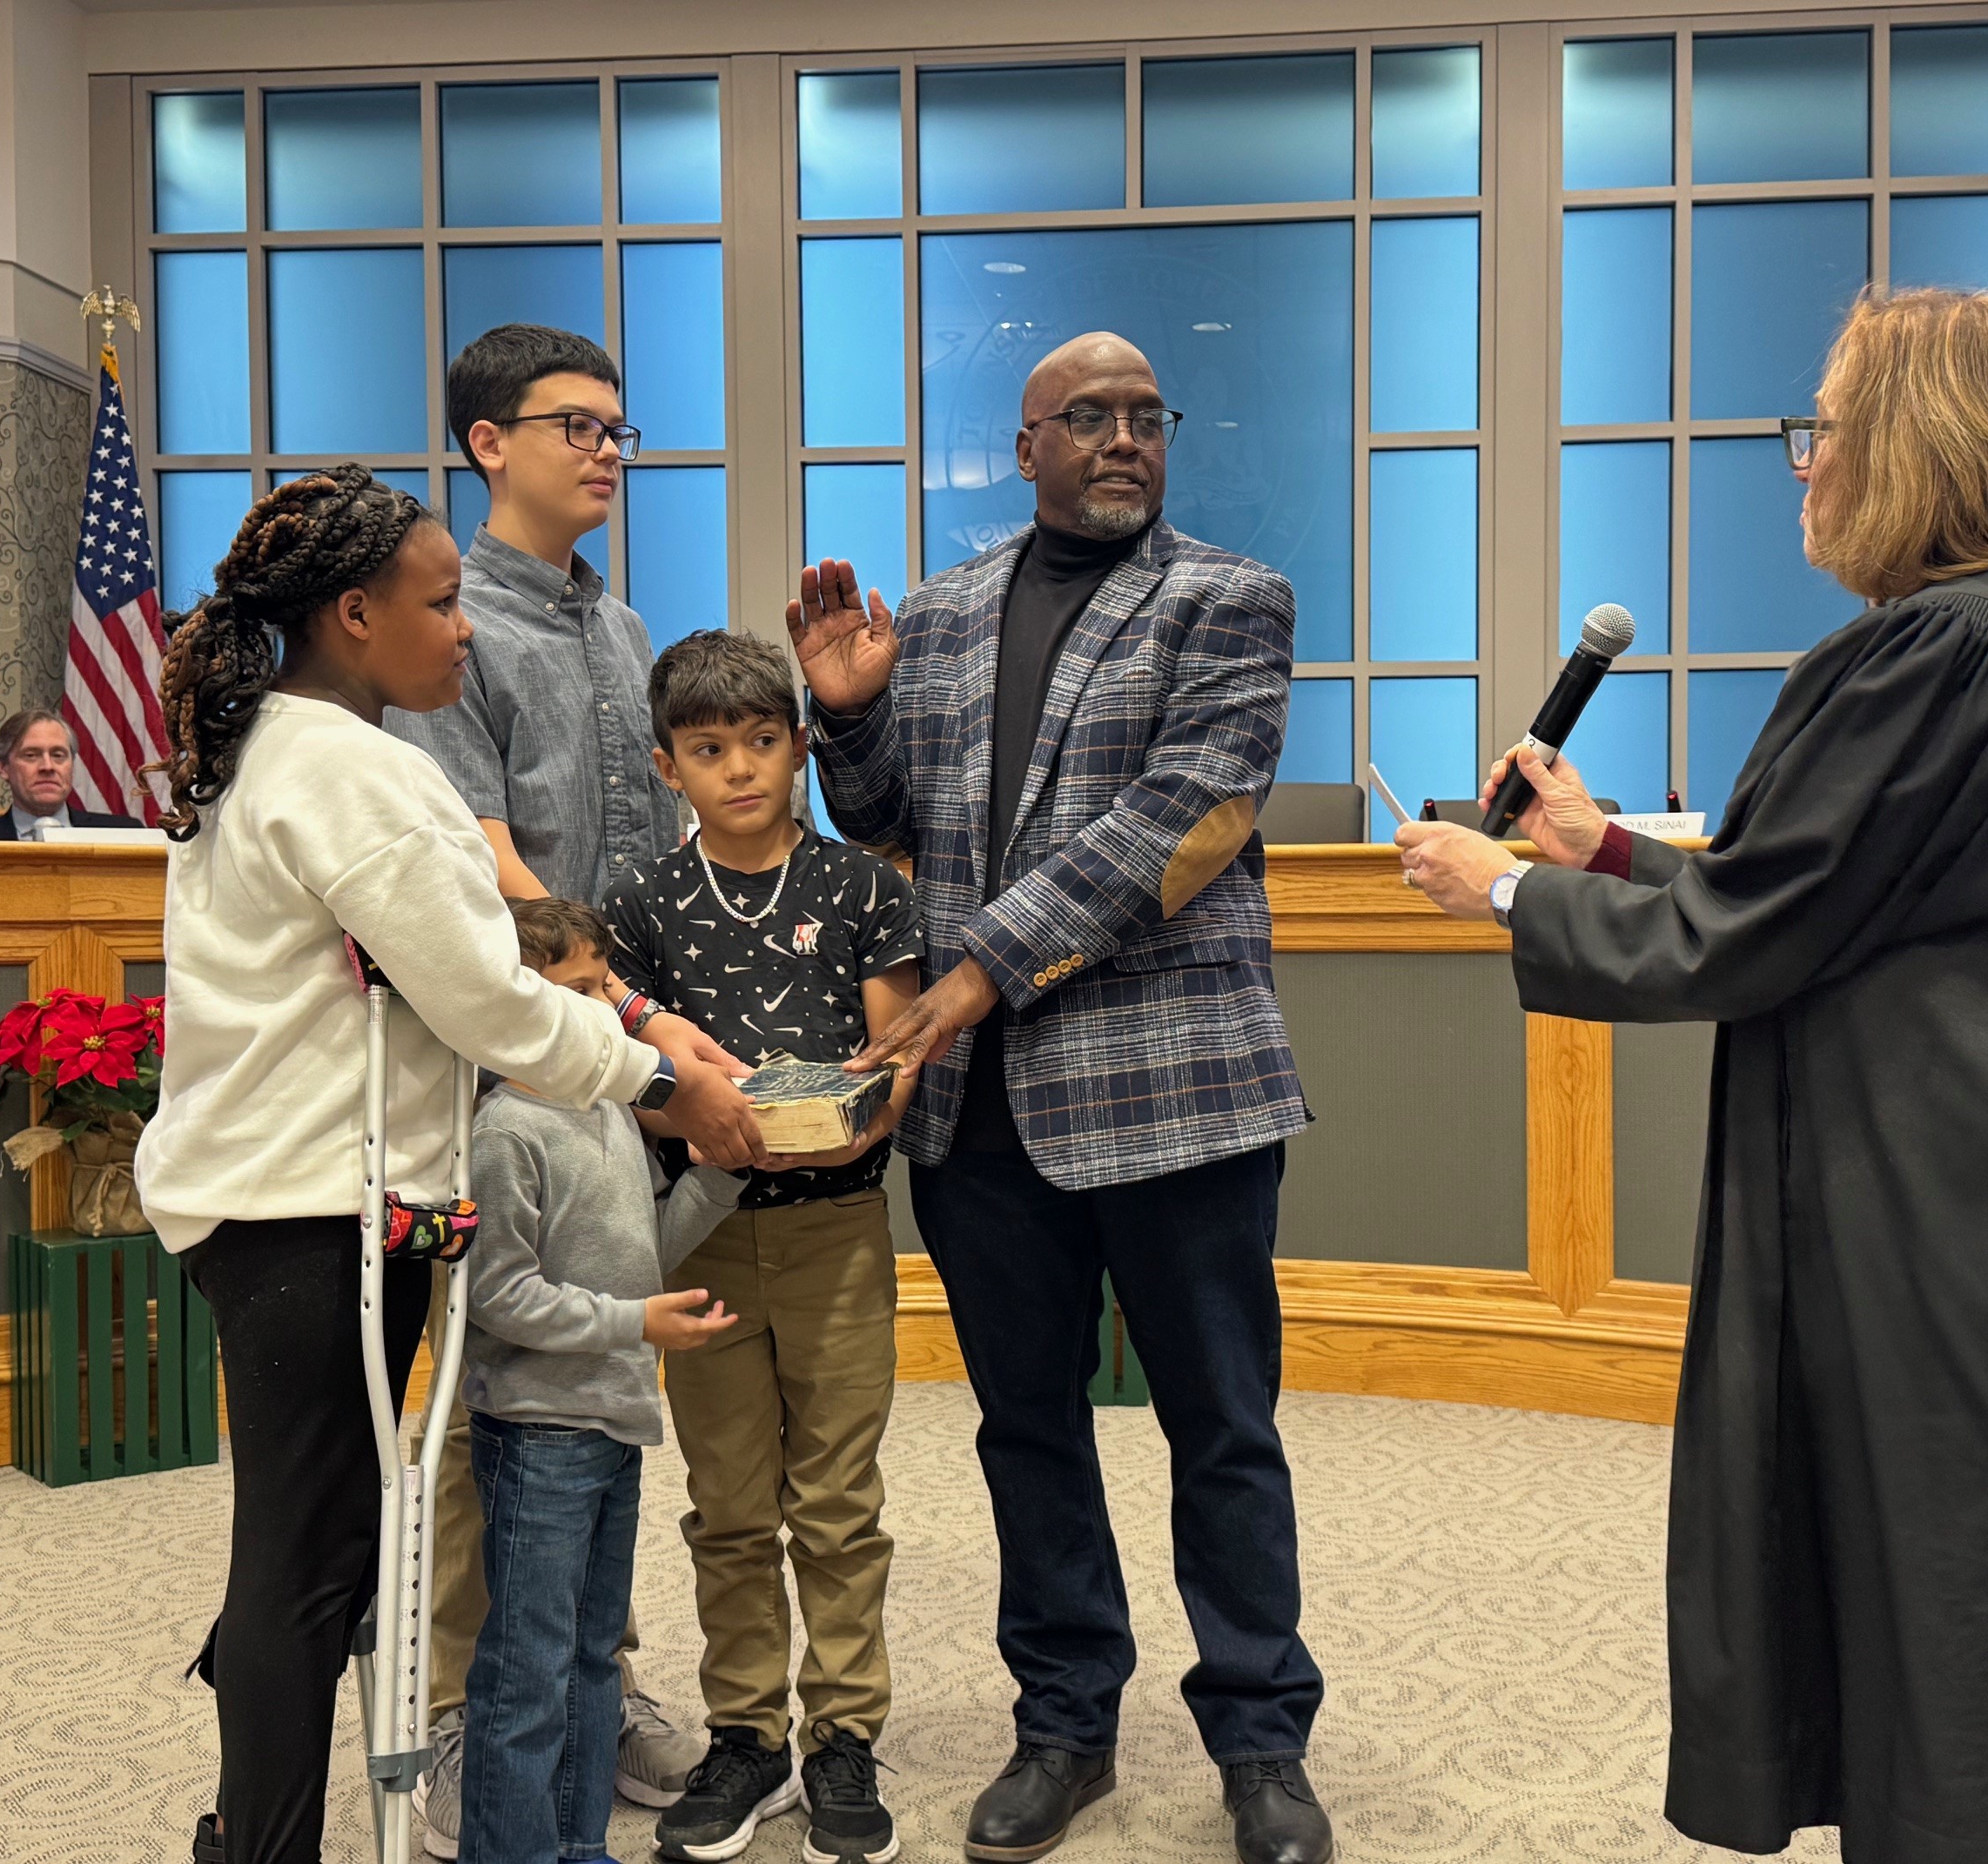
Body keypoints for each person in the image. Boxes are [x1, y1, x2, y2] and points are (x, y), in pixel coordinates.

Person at [1395, 289, 1988, 1863]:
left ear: (1913, 443)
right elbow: (1840, 900)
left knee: (1966, 1634)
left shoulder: (1939, 656)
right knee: (1982, 1621)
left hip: (1949, 1235)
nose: (1806, 465)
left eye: (1820, 430)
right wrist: (1602, 847)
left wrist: (1500, 886)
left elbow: (1742, 938)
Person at [133, 466, 766, 1864]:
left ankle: (250, 1807)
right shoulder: (354, 770)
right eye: (442, 600)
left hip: (269, 1197)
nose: (466, 627)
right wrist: (656, 1075)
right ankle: (262, 1842)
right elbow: (487, 998)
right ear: (354, 614)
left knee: (312, 1538)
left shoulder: (269, 744)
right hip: (315, 1209)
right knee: (309, 1563)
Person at [789, 332, 1331, 1864]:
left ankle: (1261, 1736)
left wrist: (980, 971)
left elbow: (1193, 815)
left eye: (1142, 417)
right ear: (1023, 444)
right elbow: (891, 818)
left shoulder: (1231, 597)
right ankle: (1064, 1722)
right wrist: (846, 719)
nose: (1118, 439)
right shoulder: (946, 611)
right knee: (1027, 1429)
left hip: (1179, 1096)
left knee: (1222, 1426)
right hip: (990, 1123)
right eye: (1082, 418)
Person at [385, 322, 731, 1852]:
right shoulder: (446, 626)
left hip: (610, 1050)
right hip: (497, 1055)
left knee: (600, 1380)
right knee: (490, 1396)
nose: (604, 449)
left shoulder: (622, 625)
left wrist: (672, 1035)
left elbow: (646, 867)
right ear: (485, 445)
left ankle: (595, 1675)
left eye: (617, 427)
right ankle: (468, 1708)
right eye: (571, 424)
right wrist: (643, 1034)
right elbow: (493, 874)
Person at [603, 630, 923, 1864]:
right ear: (667, 764)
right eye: (707, 747)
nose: (740, 767)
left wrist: (850, 1113)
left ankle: (845, 1732)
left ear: (797, 746)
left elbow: (893, 1056)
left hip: (840, 1230)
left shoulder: (862, 889)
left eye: (762, 740)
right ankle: (747, 1732)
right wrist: (694, 1115)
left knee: (838, 1500)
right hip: (703, 1238)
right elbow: (630, 1073)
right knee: (729, 1501)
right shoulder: (640, 901)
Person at [458, 895, 747, 1864]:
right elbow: (501, 1298)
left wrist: (717, 1177)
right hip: (539, 1435)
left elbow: (640, 1261)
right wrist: (636, 1324)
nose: (595, 1014)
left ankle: (582, 1847)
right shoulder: (504, 1134)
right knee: (527, 1669)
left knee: (591, 1662)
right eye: (571, 994)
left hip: (613, 1423)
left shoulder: (612, 1113)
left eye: (599, 991)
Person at [0, 708, 142, 839]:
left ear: (72, 764)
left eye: (58, 755)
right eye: (31, 755)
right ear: (4, 768)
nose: (48, 766)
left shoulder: (125, 834)